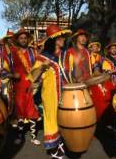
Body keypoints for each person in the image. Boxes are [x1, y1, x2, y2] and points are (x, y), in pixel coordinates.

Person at [28, 24, 71, 158]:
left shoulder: (66, 55)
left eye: (63, 37)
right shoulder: (42, 57)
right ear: (55, 40)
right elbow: (33, 78)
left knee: (62, 119)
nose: (63, 39)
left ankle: (60, 142)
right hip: (50, 94)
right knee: (51, 119)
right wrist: (41, 68)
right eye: (61, 37)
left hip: (65, 93)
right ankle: (53, 148)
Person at [10, 28, 40, 145]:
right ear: (18, 40)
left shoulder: (34, 52)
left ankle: (33, 137)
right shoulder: (13, 53)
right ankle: (19, 136)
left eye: (25, 38)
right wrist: (12, 75)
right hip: (18, 86)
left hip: (31, 85)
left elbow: (38, 68)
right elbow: (6, 68)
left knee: (32, 111)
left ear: (28, 39)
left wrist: (37, 81)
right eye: (21, 38)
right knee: (20, 112)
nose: (23, 40)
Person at [0, 29, 17, 117]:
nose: (11, 40)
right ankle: (4, 117)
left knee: (14, 98)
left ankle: (13, 118)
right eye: (9, 38)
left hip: (14, 79)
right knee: (3, 97)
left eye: (13, 38)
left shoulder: (16, 50)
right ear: (6, 39)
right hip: (2, 79)